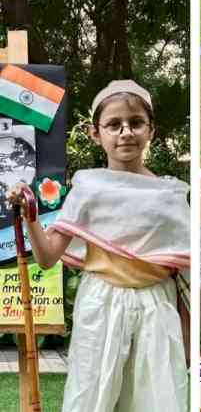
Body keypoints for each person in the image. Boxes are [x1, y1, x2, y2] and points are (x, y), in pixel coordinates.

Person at [8, 80, 189, 411]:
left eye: (136, 123)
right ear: (96, 134)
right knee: (92, 395)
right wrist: (30, 216)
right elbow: (48, 257)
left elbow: (183, 270)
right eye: (113, 125)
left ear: (151, 130)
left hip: (156, 306)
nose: (125, 132)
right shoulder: (87, 188)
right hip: (101, 303)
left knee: (158, 398)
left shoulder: (170, 194)